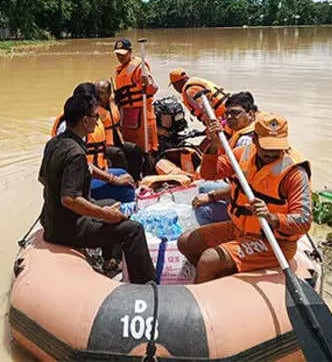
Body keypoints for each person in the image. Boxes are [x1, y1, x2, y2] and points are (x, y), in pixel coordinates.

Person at [178, 112, 312, 283]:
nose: (272, 152)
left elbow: (304, 220)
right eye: (267, 146)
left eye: (277, 147)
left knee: (208, 260)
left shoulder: (294, 173)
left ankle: (209, 284)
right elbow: (209, 173)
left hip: (273, 240)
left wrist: (272, 217)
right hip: (239, 228)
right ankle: (218, 277)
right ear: (255, 139)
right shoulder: (245, 153)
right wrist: (214, 145)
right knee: (186, 242)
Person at [38, 93, 156, 284]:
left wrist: (102, 208)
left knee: (111, 204)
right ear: (85, 121)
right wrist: (103, 214)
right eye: (95, 116)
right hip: (68, 229)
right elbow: (70, 199)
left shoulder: (54, 143)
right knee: (133, 229)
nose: (98, 120)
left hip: (51, 221)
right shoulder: (75, 154)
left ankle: (109, 261)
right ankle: (146, 285)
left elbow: (43, 178)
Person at [52, 83, 136, 202]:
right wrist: (113, 179)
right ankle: (124, 216)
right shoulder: (70, 130)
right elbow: (85, 165)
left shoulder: (79, 123)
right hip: (79, 182)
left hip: (91, 173)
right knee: (125, 188)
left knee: (123, 172)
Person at [193, 91, 259, 225]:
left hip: (250, 202)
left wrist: (211, 197)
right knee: (204, 187)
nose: (229, 117)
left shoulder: (246, 141)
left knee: (202, 208)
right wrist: (214, 141)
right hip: (238, 189)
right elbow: (216, 168)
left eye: (235, 113)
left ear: (251, 114)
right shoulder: (240, 133)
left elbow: (244, 186)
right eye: (227, 114)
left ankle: (218, 238)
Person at [113, 38, 159, 156]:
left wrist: (147, 82)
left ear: (130, 52)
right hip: (127, 114)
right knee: (130, 146)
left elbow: (153, 89)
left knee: (146, 148)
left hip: (142, 113)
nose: (120, 57)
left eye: (123, 54)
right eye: (118, 54)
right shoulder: (119, 70)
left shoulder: (140, 68)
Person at [95, 79, 144, 180]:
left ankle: (135, 179)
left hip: (117, 139)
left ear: (108, 94)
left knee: (135, 150)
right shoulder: (93, 109)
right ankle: (124, 180)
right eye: (97, 92)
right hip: (104, 144)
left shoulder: (112, 102)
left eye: (102, 93)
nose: (98, 96)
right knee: (118, 154)